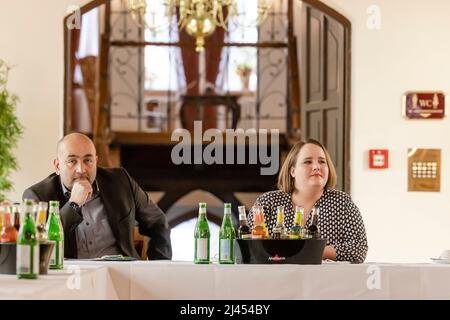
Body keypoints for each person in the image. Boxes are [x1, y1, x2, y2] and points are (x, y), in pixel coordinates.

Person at [23, 133, 172, 260]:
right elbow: (36, 246)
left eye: (88, 160)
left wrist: (158, 267)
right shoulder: (37, 196)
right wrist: (73, 205)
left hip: (123, 277)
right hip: (70, 279)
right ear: (57, 166)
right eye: (72, 161)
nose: (81, 169)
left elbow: (158, 222)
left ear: (96, 161)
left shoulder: (120, 181)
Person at [249, 138, 368, 263]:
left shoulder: (342, 202)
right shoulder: (268, 202)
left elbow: (359, 249)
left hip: (327, 281)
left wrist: (309, 252)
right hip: (277, 280)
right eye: (308, 162)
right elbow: (251, 248)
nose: (316, 167)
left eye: (322, 162)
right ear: (293, 171)